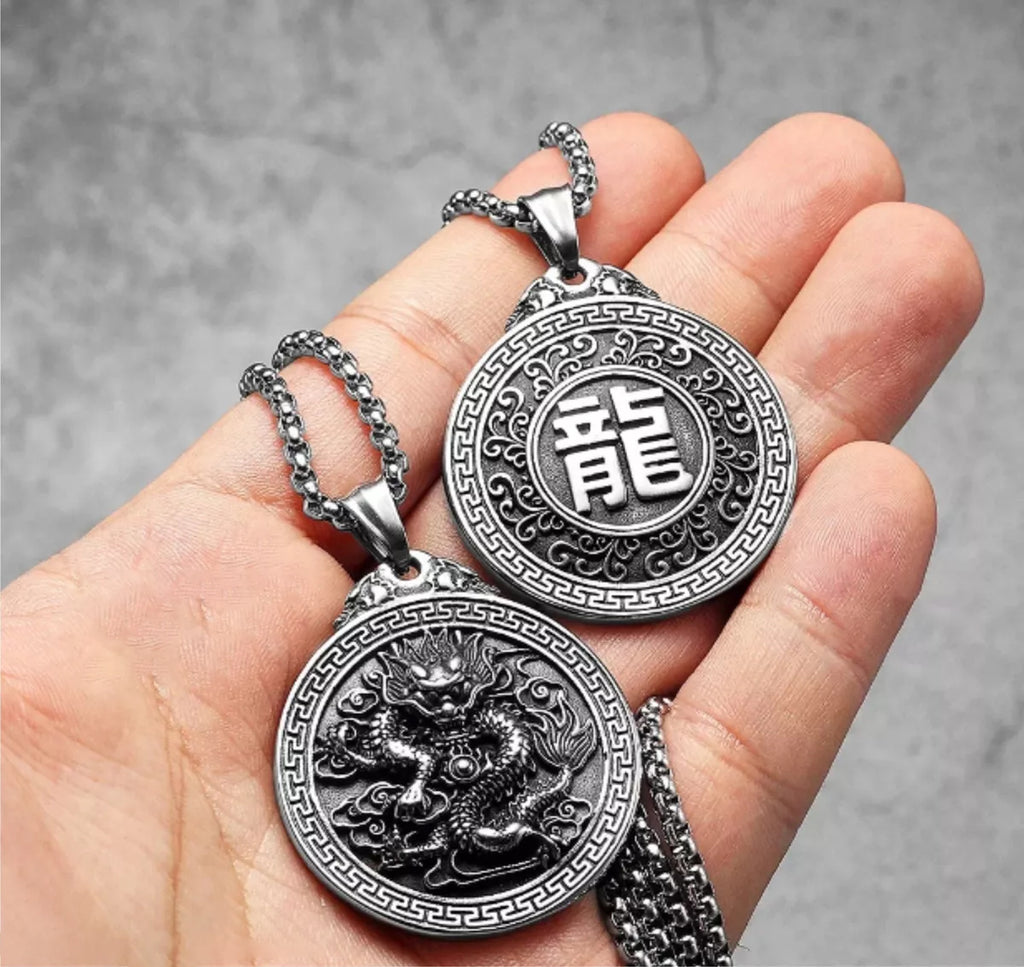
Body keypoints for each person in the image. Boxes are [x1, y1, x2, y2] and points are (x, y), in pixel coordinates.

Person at [0, 112, 983, 965]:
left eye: (446, 690)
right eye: (429, 694)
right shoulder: (414, 734)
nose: (437, 697)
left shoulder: (489, 729)